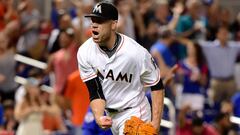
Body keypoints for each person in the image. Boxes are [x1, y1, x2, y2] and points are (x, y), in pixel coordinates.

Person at [77, 2, 165, 134]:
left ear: (113, 24)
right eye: (93, 20)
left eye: (100, 21)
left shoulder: (135, 53)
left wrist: (155, 123)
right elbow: (95, 91)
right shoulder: (85, 52)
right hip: (112, 116)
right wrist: (99, 116)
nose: (94, 25)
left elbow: (156, 84)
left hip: (135, 111)